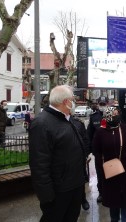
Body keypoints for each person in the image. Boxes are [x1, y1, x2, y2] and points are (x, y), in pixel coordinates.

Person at [29, 85, 86, 222]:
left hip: (74, 186)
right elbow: (39, 164)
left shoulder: (67, 119)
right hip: (58, 191)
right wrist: (46, 195)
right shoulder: (42, 123)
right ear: (66, 102)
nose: (74, 102)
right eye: (73, 99)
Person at [93, 107, 126, 222]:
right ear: (107, 116)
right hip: (110, 172)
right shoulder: (100, 132)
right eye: (113, 114)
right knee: (114, 202)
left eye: (117, 114)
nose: (116, 116)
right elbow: (97, 151)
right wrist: (101, 167)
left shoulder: (125, 129)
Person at [71, 116, 91, 211]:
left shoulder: (78, 123)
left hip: (79, 159)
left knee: (81, 180)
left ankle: (83, 199)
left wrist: (86, 155)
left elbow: (86, 140)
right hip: (64, 160)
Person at [87, 99, 105, 203]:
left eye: (104, 104)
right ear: (98, 105)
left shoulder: (114, 115)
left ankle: (111, 191)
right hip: (98, 150)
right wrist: (89, 149)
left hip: (111, 149)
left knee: (112, 171)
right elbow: (89, 134)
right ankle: (101, 193)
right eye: (101, 104)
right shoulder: (94, 117)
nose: (102, 106)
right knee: (100, 172)